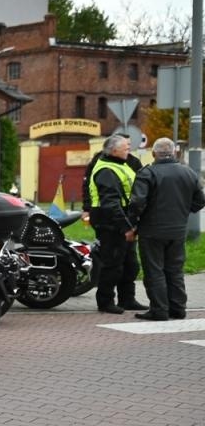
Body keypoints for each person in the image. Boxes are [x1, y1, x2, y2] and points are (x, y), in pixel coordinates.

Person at [128, 137, 205, 321]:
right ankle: (178, 308)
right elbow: (200, 200)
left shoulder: (147, 173)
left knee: (154, 270)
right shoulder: (189, 173)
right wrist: (184, 211)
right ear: (175, 152)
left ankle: (159, 310)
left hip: (151, 231)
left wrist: (133, 223)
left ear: (154, 153)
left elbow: (137, 202)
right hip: (178, 230)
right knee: (175, 270)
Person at [87, 134, 144, 315]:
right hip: (110, 224)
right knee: (113, 264)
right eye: (125, 147)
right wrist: (126, 227)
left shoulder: (120, 164)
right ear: (114, 150)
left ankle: (127, 299)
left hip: (122, 221)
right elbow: (111, 203)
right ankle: (105, 301)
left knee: (130, 264)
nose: (129, 149)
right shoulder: (106, 170)